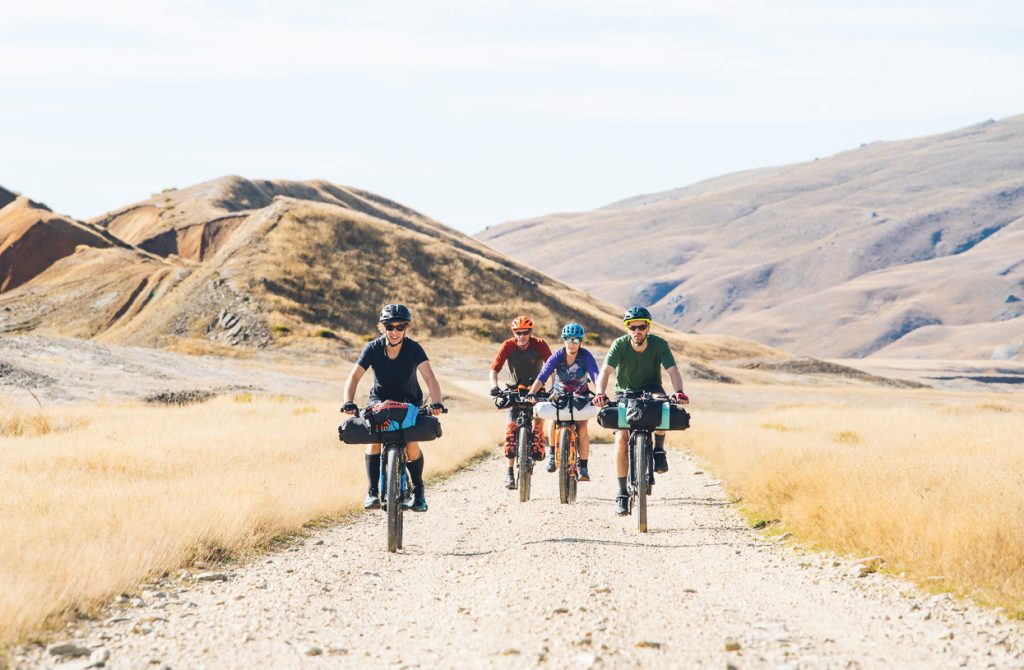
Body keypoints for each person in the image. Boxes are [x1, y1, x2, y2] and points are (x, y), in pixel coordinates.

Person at [342, 304, 446, 512]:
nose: (395, 331)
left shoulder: (414, 348)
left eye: (400, 327)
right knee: (374, 440)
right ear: (382, 327)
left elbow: (430, 378)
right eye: (390, 326)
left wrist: (437, 403)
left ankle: (419, 492)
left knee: (410, 443)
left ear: (406, 328)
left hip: (410, 402)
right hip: (379, 401)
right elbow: (353, 377)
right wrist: (348, 401)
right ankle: (372, 491)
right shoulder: (372, 348)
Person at [592, 306, 689, 515]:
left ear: (648, 328)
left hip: (652, 389)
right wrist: (599, 393)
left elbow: (673, 371)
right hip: (624, 392)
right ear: (628, 329)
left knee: (665, 408)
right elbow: (605, 371)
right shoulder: (619, 345)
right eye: (632, 327)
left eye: (641, 326)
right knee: (621, 438)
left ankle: (659, 449)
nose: (636, 331)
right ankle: (621, 493)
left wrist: (679, 391)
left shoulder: (659, 344)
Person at [527, 323, 599, 481]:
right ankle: (552, 454)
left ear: (581, 341)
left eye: (575, 339)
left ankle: (584, 466)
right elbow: (543, 375)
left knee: (582, 428)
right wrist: (532, 393)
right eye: (568, 339)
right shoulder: (557, 355)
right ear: (564, 340)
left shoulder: (585, 355)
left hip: (580, 395)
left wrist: (600, 393)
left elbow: (595, 374)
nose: (571, 343)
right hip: (559, 395)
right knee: (554, 422)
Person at [489, 315, 553, 489]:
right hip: (513, 390)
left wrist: (554, 387)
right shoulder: (508, 345)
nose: (521, 336)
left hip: (536, 389)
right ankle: (509, 473)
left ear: (530, 332)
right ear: (514, 333)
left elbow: (551, 366)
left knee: (539, 417)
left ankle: (538, 439)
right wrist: (494, 386)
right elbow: (494, 368)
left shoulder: (540, 344)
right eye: (518, 333)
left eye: (525, 333)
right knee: (510, 433)